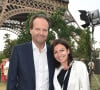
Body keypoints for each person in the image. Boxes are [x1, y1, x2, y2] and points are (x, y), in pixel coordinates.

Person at [7, 14, 54, 90]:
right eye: (37, 29)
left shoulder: (53, 52)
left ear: (48, 32)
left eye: (44, 30)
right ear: (30, 30)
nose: (41, 33)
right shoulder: (18, 51)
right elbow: (11, 82)